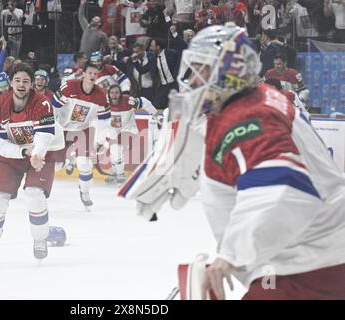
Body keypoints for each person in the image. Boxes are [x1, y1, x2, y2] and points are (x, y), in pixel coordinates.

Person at [121, 22, 345, 300]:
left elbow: (282, 182)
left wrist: (230, 255)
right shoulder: (246, 103)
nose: (190, 80)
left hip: (313, 266)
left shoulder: (249, 116)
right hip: (300, 258)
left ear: (230, 70)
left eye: (199, 69)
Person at [0, 63, 61, 263]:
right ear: (11, 83)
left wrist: (36, 154)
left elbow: (44, 136)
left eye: (26, 81)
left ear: (31, 85)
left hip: (41, 154)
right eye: (18, 80)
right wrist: (23, 151)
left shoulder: (42, 103)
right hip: (14, 153)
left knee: (34, 194)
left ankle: (40, 239)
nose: (21, 84)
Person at [51, 63, 109, 210]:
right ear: (84, 74)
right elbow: (53, 107)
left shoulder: (101, 95)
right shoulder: (69, 87)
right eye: (90, 73)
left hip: (83, 130)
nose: (92, 76)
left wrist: (100, 140)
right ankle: (68, 159)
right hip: (62, 129)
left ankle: (85, 192)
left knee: (84, 164)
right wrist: (51, 129)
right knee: (56, 167)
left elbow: (104, 120)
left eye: (95, 74)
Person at [103, 84, 157, 184]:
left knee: (116, 148)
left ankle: (120, 175)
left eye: (117, 92)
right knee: (114, 151)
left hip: (129, 129)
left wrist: (155, 113)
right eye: (112, 92)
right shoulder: (104, 103)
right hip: (115, 131)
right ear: (108, 94)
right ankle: (115, 171)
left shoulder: (128, 100)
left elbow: (144, 102)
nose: (114, 95)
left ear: (121, 94)